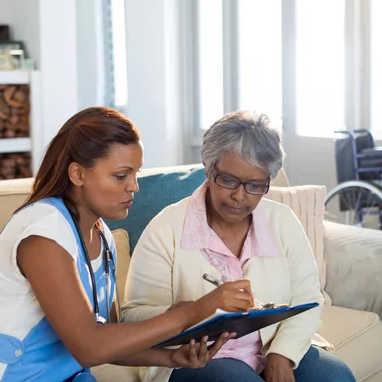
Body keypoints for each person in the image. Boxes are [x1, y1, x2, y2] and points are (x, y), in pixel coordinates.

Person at [0, 107, 251, 382]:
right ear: (78, 174)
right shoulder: (42, 235)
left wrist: (172, 357)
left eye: (135, 174)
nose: (134, 185)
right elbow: (90, 347)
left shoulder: (102, 236)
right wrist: (195, 310)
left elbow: (110, 338)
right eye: (121, 175)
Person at [122, 111, 356, 382]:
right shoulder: (166, 228)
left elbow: (308, 299)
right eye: (229, 180)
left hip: (271, 347)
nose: (239, 196)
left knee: (336, 377)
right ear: (209, 171)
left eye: (255, 185)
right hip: (194, 359)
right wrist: (197, 308)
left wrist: (282, 354)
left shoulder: (282, 222)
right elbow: (132, 317)